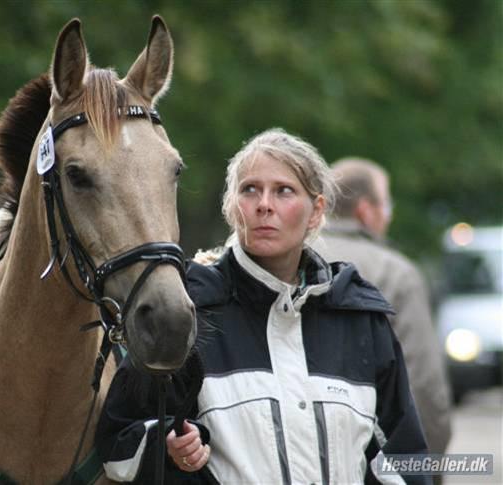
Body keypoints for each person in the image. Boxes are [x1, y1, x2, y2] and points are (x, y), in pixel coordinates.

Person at [95, 128, 430, 484]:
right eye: (249, 189)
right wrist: (167, 443)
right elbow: (116, 446)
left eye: (284, 191)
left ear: (316, 212)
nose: (264, 204)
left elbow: (406, 459)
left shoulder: (361, 320)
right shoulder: (187, 314)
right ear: (231, 206)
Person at [312, 157, 452, 456]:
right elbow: (424, 387)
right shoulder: (397, 273)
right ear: (366, 211)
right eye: (387, 206)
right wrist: (428, 465)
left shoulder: (286, 261)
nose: (388, 216)